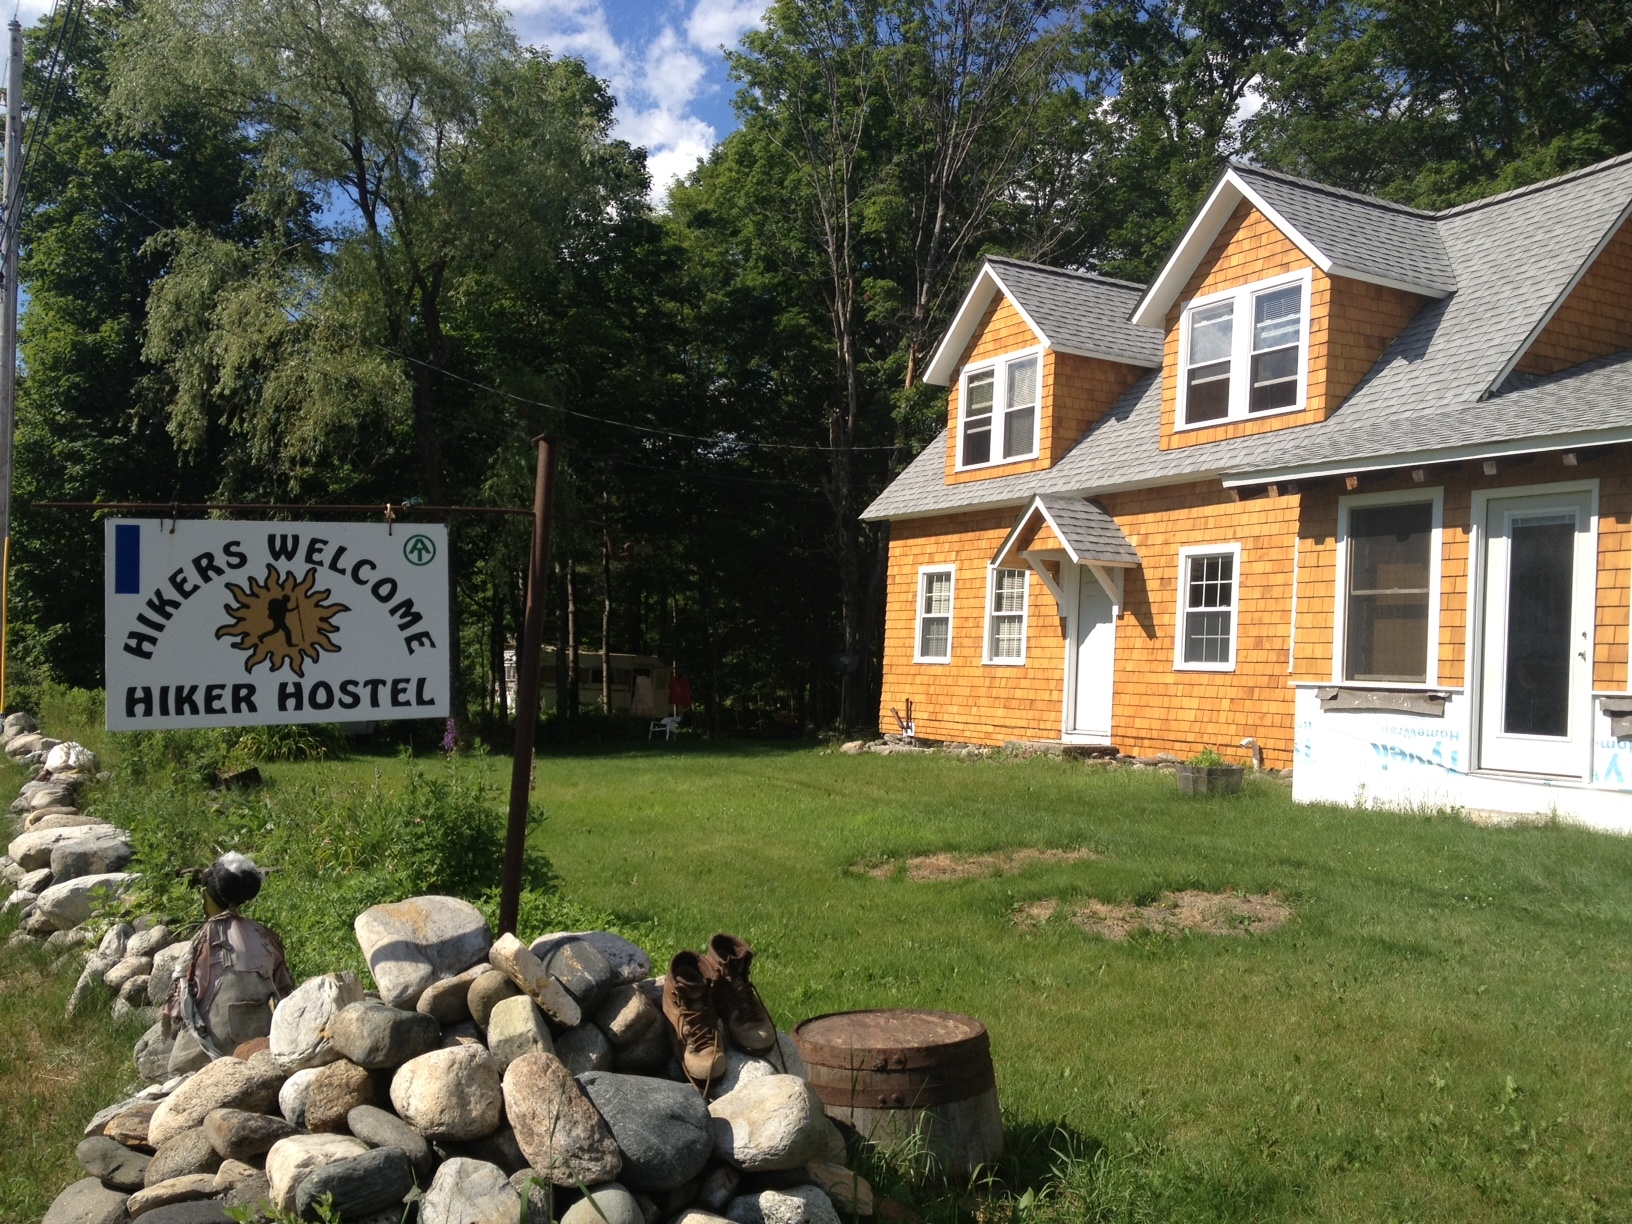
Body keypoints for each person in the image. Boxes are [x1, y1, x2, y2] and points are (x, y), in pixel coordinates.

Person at [163, 852, 295, 1068]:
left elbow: (184, 996)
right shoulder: (264, 936)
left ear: (206, 895)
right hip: (260, 1038)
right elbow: (285, 987)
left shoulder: (204, 940)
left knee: (177, 1068)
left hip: (214, 1042)